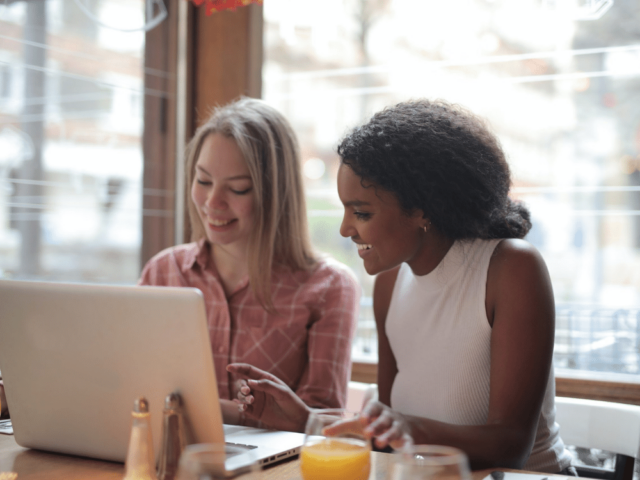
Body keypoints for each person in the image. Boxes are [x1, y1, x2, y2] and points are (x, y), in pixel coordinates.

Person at [231, 99, 575, 474]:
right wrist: (307, 420)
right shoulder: (390, 283)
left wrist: (409, 429)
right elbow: (390, 436)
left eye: (361, 213)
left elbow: (510, 448)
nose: (346, 229)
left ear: (421, 210)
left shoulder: (511, 269)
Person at [139, 97, 359, 426]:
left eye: (238, 189)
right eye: (203, 181)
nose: (213, 202)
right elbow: (130, 381)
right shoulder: (163, 272)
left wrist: (183, 408)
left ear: (276, 194)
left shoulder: (330, 287)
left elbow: (318, 422)